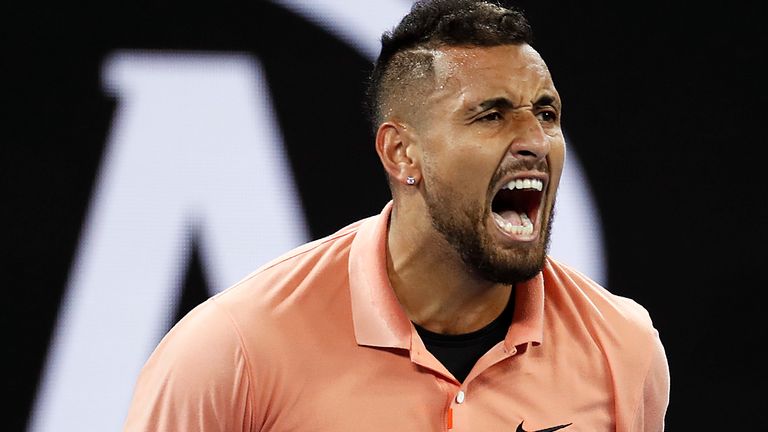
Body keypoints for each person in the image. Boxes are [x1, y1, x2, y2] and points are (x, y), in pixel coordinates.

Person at [123, 0, 670, 430]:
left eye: (546, 113)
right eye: (491, 116)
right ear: (401, 154)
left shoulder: (620, 347)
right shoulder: (231, 350)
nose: (535, 140)